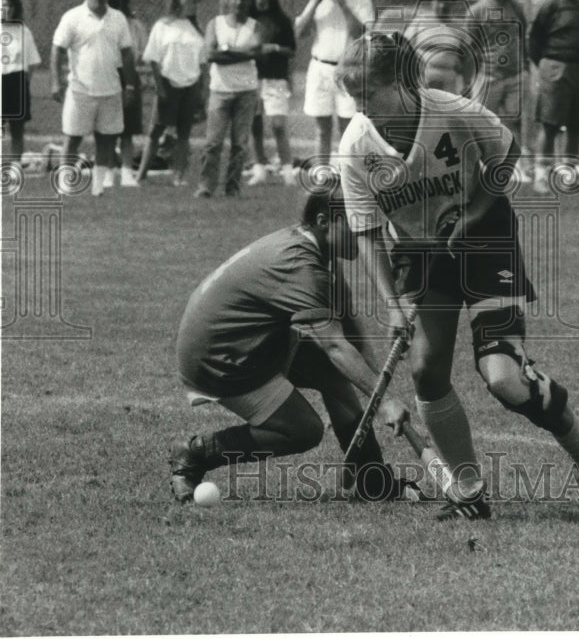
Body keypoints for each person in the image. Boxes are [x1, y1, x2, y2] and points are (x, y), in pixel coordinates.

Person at [335, 30, 579, 521]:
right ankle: (468, 489)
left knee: (505, 381)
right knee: (426, 370)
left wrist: (474, 212)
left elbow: (507, 155)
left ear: (405, 83)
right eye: (352, 95)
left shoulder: (455, 112)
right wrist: (392, 302)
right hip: (421, 257)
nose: (358, 106)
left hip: (486, 242)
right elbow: (366, 230)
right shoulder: (357, 145)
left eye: (366, 93)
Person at [169, 185, 416, 504]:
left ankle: (371, 479)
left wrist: (375, 376)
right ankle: (195, 452)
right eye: (354, 224)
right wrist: (384, 402)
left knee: (333, 375)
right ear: (325, 221)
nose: (362, 233)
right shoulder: (301, 265)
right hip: (219, 357)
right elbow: (335, 347)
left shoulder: (313, 248)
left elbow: (347, 316)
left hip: (249, 341)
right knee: (302, 429)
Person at [50, 0, 137, 196]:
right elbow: (57, 50)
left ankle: (98, 186)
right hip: (80, 89)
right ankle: (65, 183)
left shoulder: (118, 19)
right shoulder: (72, 17)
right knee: (72, 136)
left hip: (111, 90)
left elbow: (127, 53)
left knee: (106, 138)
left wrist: (129, 86)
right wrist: (55, 81)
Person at [295, 0, 374, 162]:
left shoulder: (362, 1)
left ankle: (348, 175)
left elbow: (361, 34)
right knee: (322, 128)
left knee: (348, 127)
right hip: (320, 68)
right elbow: (299, 32)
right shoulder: (321, 0)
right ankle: (323, 176)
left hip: (348, 70)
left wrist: (342, 2)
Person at [528, 0, 579, 195]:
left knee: (576, 125)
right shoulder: (551, 6)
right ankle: (541, 174)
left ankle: (567, 173)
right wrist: (547, 66)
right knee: (550, 123)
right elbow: (534, 38)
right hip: (555, 68)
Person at [195, 0, 260, 198]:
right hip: (220, 90)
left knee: (240, 144)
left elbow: (257, 53)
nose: (239, 2)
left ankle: (232, 187)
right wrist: (242, 53)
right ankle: (206, 186)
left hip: (246, 91)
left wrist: (227, 50)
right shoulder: (216, 24)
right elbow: (211, 55)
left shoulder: (255, 26)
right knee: (213, 142)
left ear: (249, 1)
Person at [137, 0, 205, 186]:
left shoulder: (195, 28)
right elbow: (153, 58)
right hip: (168, 83)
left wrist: (201, 89)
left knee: (183, 133)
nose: (193, 5)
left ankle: (179, 176)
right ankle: (141, 174)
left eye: (195, 2)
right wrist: (159, 86)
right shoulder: (163, 25)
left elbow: (202, 62)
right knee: (156, 131)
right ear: (178, 0)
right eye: (189, 0)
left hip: (190, 85)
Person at [468, 0, 530, 175]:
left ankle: (516, 165)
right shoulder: (478, 10)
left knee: (515, 120)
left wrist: (526, 66)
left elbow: (522, 35)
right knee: (482, 121)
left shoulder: (515, 8)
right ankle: (480, 165)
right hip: (489, 75)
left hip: (515, 75)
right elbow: (469, 44)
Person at [246, 0, 298, 187]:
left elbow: (292, 50)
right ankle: (259, 168)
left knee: (278, 125)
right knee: (254, 123)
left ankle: (287, 170)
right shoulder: (247, 18)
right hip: (252, 77)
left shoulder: (281, 20)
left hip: (276, 78)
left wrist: (274, 48)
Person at [107, 0, 148, 188]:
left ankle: (126, 172)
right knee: (106, 128)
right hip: (108, 75)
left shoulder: (134, 26)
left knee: (127, 129)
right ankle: (107, 171)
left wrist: (130, 83)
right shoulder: (106, 23)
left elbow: (138, 52)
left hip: (128, 76)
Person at [401, 0, 473, 96]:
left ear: (453, 3)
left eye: (447, 2)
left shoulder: (459, 28)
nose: (442, 6)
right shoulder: (419, 22)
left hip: (448, 80)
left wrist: (467, 84)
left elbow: (468, 59)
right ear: (432, 2)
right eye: (439, 1)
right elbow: (404, 50)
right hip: (421, 77)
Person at [1, 0, 41, 167]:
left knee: (17, 128)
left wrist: (24, 81)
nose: (6, 10)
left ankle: (16, 165)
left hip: (16, 80)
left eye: (9, 5)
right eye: (2, 6)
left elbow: (33, 62)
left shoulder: (24, 31)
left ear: (16, 8)